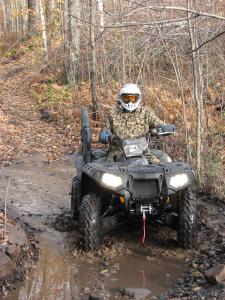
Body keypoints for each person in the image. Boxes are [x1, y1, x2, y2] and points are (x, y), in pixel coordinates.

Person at [99, 83, 166, 163]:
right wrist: (105, 136)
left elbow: (158, 123)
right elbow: (104, 131)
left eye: (133, 98)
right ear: (121, 98)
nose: (130, 102)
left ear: (138, 98)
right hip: (118, 152)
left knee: (158, 168)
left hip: (143, 152)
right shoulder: (113, 114)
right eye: (126, 98)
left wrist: (164, 128)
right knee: (108, 172)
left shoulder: (146, 113)